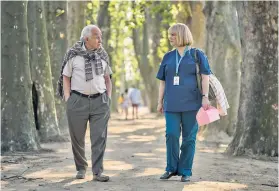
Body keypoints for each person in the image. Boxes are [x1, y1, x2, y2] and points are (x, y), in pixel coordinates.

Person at [57, 25, 112, 182]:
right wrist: (68, 98)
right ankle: (81, 168)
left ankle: (98, 172)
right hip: (77, 101)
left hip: (100, 102)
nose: (100, 39)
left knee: (99, 138)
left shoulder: (102, 55)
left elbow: (108, 78)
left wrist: (108, 98)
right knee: (77, 137)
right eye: (97, 36)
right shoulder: (73, 54)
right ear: (86, 39)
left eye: (100, 36)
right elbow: (65, 76)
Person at [156, 23, 211, 182]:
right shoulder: (167, 57)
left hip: (192, 104)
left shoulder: (197, 54)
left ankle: (185, 170)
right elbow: (162, 82)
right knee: (171, 134)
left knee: (189, 138)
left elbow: (205, 76)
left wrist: (205, 96)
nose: (170, 37)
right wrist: (160, 102)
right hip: (171, 104)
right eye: (169, 35)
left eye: (173, 35)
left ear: (182, 35)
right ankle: (171, 168)